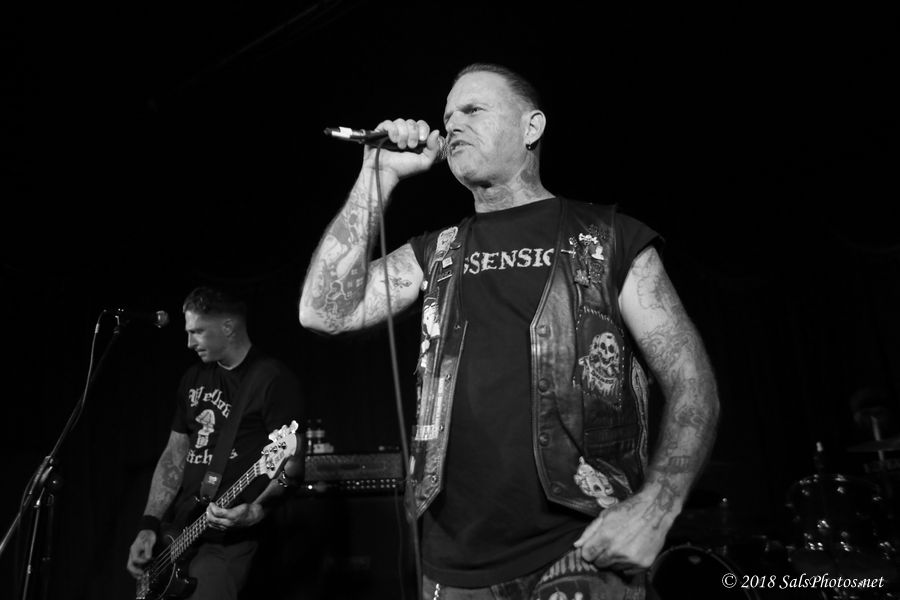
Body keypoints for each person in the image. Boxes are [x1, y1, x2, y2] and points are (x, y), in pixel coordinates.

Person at [299, 63, 720, 599]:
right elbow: (324, 312)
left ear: (531, 128)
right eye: (447, 116)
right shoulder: (436, 252)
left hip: (582, 549)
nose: (452, 124)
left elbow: (692, 383)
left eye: (473, 109)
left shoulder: (608, 238)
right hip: (453, 567)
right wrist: (376, 175)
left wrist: (656, 507)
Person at [127, 286, 304, 600]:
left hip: (229, 542)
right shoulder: (192, 378)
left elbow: (292, 466)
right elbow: (175, 455)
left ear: (228, 327)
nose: (189, 343)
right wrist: (149, 524)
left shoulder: (272, 379)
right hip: (178, 533)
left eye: (197, 332)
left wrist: (258, 509)